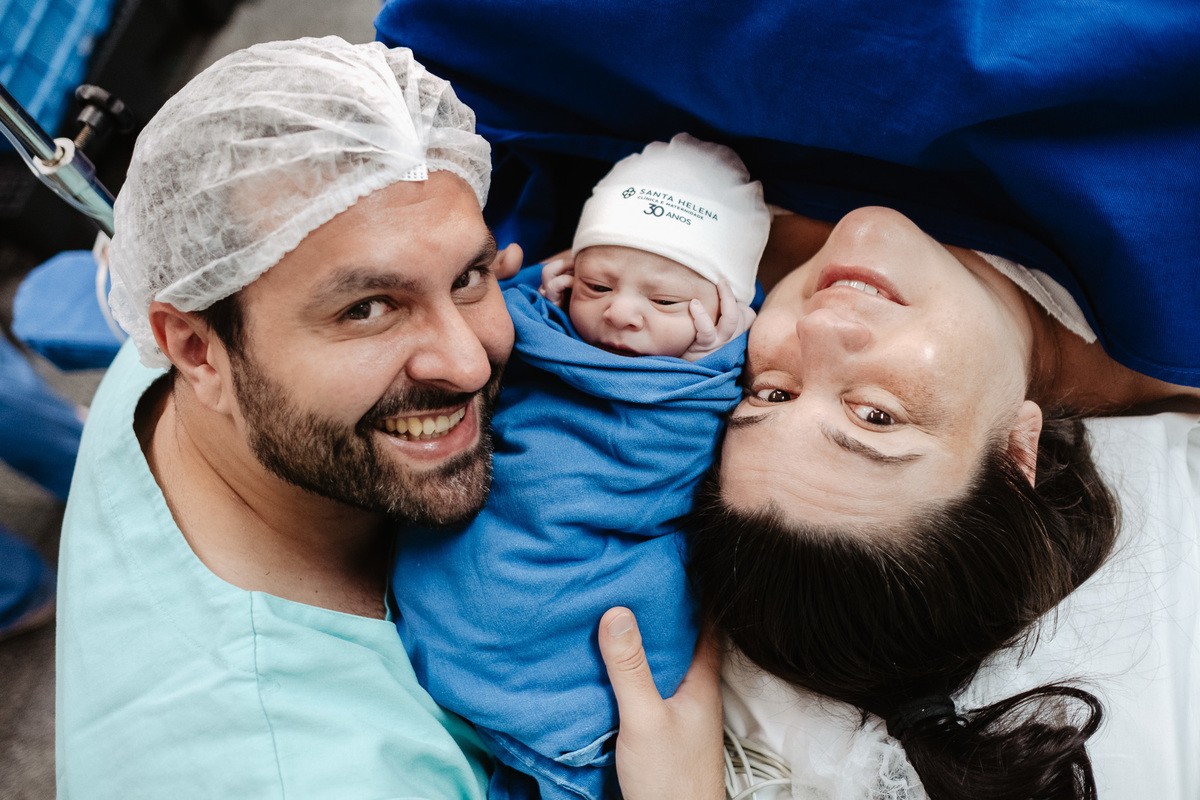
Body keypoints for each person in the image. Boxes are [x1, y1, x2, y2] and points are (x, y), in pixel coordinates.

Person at [55, 37, 723, 799]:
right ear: (196, 349)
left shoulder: (178, 358)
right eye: (368, 308)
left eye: (469, 276)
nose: (469, 365)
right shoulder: (303, 772)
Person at [685, 203, 1200, 800]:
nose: (817, 329)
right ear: (1016, 452)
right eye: (875, 416)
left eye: (773, 394)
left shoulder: (706, 240)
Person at [393, 132, 766, 800]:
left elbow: (688, 470)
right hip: (452, 606)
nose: (621, 312)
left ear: (725, 315)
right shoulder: (533, 331)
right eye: (597, 284)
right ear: (568, 273)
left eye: (665, 302)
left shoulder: (700, 395)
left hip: (575, 649)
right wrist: (527, 295)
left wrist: (713, 365)